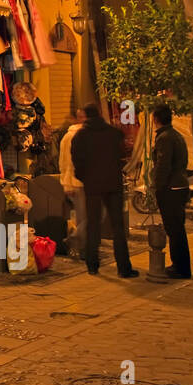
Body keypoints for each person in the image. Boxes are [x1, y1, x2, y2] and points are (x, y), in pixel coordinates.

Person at [70, 103, 137, 277]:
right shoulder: (114, 133)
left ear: (85, 115)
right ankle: (124, 268)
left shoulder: (80, 137)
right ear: (99, 114)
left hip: (92, 186)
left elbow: (77, 162)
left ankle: (92, 265)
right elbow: (122, 156)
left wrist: (85, 178)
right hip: (113, 184)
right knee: (117, 227)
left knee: (93, 225)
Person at [148, 104, 191, 279]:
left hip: (171, 188)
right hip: (180, 184)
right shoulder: (176, 136)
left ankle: (179, 267)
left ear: (156, 119)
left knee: (174, 229)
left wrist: (157, 186)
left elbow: (163, 165)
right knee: (177, 228)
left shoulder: (164, 138)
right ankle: (181, 265)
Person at [58, 108, 86, 260]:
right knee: (91, 216)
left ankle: (80, 246)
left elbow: (62, 162)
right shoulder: (85, 136)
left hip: (72, 182)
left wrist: (65, 182)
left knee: (83, 216)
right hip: (82, 182)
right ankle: (75, 239)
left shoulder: (66, 137)